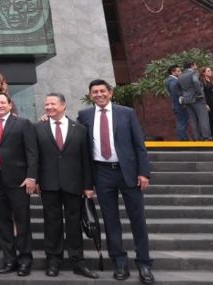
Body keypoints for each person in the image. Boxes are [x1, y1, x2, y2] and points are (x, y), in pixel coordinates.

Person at [77, 79, 154, 284]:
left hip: (127, 171)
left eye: (103, 91)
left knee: (138, 219)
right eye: (95, 92)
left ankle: (144, 264)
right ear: (90, 94)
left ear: (110, 93)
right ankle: (119, 263)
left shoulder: (126, 112)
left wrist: (144, 173)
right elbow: (80, 144)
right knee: (110, 221)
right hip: (102, 173)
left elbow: (139, 144)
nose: (99, 94)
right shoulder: (84, 115)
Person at [35, 93, 98, 279]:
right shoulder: (38, 128)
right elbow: (35, 157)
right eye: (46, 104)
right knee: (51, 223)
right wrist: (36, 180)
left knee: (74, 224)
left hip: (74, 184)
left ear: (63, 105)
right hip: (49, 184)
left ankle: (77, 261)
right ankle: (53, 261)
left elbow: (86, 159)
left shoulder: (80, 129)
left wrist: (88, 185)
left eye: (52, 104)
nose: (48, 107)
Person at [0, 92, 38, 277]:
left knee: (22, 222)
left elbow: (32, 153)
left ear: (10, 104)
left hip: (19, 180)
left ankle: (25, 260)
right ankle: (9, 259)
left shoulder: (23, 123)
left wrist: (31, 177)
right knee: (3, 223)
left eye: (2, 102)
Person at [178, 61, 212, 140]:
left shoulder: (181, 76)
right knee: (203, 118)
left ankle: (197, 138)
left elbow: (178, 87)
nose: (196, 66)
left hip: (187, 100)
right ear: (192, 65)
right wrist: (200, 93)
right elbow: (196, 81)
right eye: (195, 65)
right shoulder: (194, 73)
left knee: (193, 120)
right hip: (197, 98)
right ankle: (206, 137)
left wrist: (184, 95)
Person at [165, 65, 189, 140]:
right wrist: (182, 98)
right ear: (173, 72)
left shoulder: (170, 80)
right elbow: (175, 92)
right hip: (179, 105)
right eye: (178, 71)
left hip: (177, 105)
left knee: (181, 122)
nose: (180, 72)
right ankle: (183, 140)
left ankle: (183, 139)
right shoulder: (173, 81)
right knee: (182, 123)